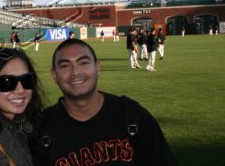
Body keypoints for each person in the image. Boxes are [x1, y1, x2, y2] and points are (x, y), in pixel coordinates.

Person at [33, 38, 177, 166]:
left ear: (98, 68)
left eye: (83, 62)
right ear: (54, 75)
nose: (75, 72)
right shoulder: (42, 128)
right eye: (65, 66)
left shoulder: (131, 115)